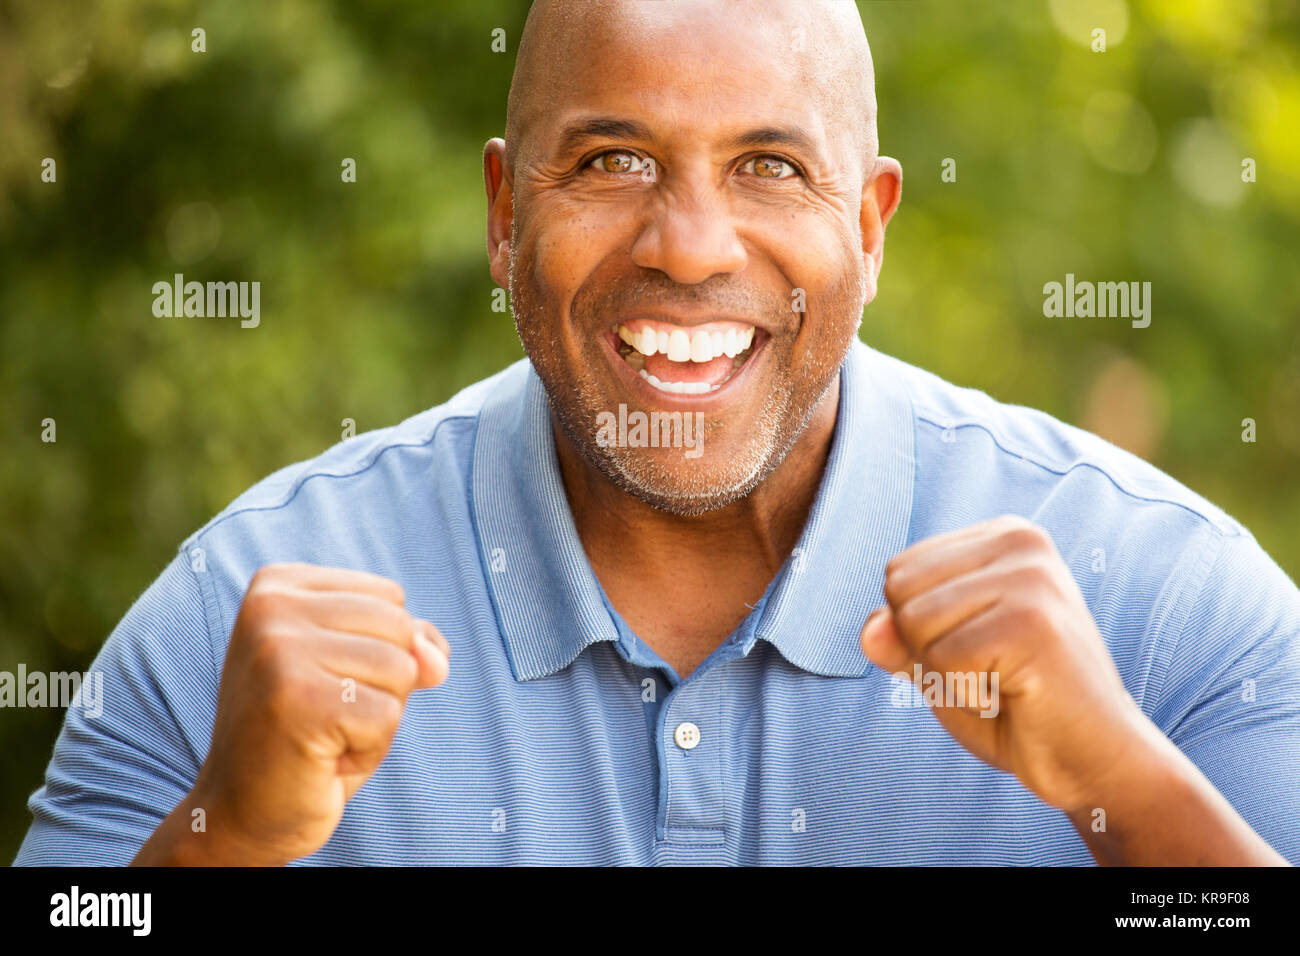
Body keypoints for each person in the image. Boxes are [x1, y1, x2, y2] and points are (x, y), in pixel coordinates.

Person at [16, 0, 1299, 866]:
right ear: (503, 213)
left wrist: (1124, 791)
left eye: (770, 167)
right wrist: (223, 834)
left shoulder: (1167, 604)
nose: (688, 246)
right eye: (613, 160)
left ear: (869, 224)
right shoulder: (246, 610)